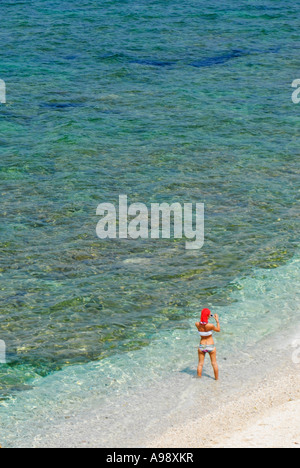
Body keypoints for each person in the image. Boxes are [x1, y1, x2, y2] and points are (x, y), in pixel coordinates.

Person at [195, 308, 220, 380]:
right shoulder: (211, 325)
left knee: (200, 364)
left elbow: (202, 323)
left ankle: (198, 380)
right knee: (214, 363)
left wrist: (206, 317)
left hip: (202, 346)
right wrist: (217, 320)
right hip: (210, 346)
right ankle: (216, 380)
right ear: (208, 316)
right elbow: (218, 330)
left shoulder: (197, 324)